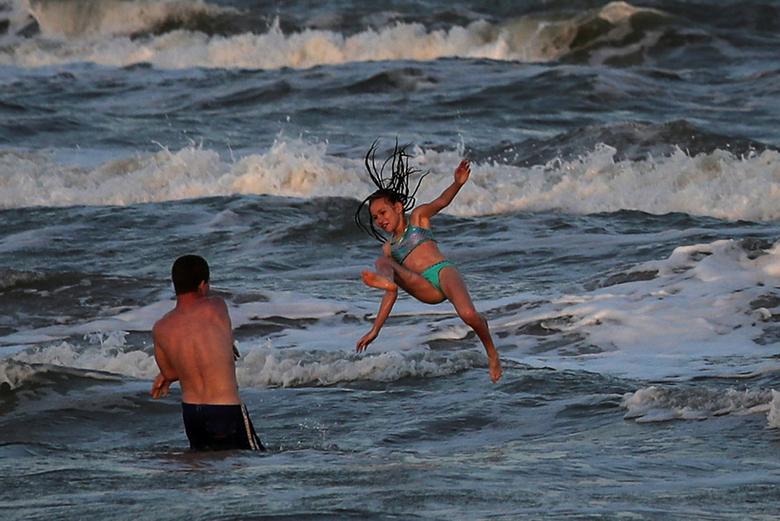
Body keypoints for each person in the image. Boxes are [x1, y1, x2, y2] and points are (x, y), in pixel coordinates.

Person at [354, 142, 503, 383]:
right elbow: (390, 297)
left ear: (397, 207)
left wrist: (457, 183)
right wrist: (375, 330)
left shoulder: (419, 218)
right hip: (422, 287)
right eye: (375, 218)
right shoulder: (390, 248)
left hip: (443, 272)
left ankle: (492, 353)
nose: (380, 220)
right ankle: (386, 282)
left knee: (468, 315)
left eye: (383, 213)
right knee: (383, 259)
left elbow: (442, 202)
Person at [150, 254, 264, 451]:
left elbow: (170, 373)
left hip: (192, 413)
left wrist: (165, 377)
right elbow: (223, 338)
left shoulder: (161, 327)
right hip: (225, 408)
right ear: (202, 285)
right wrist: (227, 345)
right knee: (252, 461)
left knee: (204, 469)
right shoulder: (216, 306)